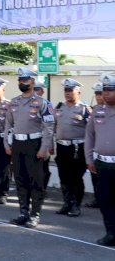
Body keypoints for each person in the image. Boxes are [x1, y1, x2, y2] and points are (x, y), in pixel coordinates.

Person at [5, 67, 55, 228]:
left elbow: (48, 127)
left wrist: (44, 148)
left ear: (33, 81)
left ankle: (35, 214)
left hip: (35, 145)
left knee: (36, 181)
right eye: (20, 80)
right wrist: (7, 143)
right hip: (18, 145)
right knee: (20, 179)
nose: (22, 82)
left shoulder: (43, 103)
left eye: (25, 80)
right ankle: (23, 212)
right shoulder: (14, 102)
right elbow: (8, 124)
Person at [85, 73, 115, 246]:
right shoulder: (97, 111)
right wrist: (89, 159)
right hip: (102, 164)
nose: (106, 93)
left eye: (110, 90)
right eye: (104, 90)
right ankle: (110, 233)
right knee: (105, 200)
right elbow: (89, 136)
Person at [54, 78, 91, 217]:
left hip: (77, 148)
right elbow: (52, 127)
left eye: (71, 90)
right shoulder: (59, 108)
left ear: (78, 92)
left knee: (76, 178)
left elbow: (91, 131)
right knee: (63, 176)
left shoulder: (84, 109)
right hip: (62, 147)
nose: (68, 93)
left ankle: (76, 205)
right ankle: (67, 202)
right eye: (66, 90)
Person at [86, 82, 105, 208]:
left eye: (100, 93)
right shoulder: (93, 110)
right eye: (96, 93)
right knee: (95, 177)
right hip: (95, 150)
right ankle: (98, 199)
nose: (98, 96)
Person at [33, 81, 54, 193]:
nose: (35, 91)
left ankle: (42, 189)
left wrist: (50, 145)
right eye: (34, 89)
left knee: (43, 168)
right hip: (31, 141)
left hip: (43, 141)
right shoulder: (27, 103)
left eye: (38, 89)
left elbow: (49, 128)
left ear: (42, 91)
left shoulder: (47, 104)